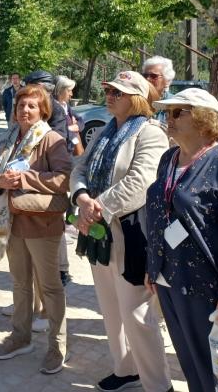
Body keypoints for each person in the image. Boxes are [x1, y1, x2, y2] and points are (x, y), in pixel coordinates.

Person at [145, 88, 218, 392]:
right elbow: (161, 215)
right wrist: (152, 266)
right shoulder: (169, 158)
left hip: (206, 286)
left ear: (203, 118)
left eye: (177, 112)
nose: (168, 118)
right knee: (191, 364)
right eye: (167, 112)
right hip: (170, 279)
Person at [70, 71, 172, 392]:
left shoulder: (150, 132)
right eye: (109, 90)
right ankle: (126, 368)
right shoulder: (105, 131)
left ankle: (158, 384)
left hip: (130, 233)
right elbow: (80, 168)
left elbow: (142, 182)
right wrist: (82, 197)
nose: (110, 96)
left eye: (118, 92)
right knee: (111, 306)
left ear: (137, 98)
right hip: (99, 229)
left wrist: (96, 207)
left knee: (136, 313)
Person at [0, 84, 71, 375]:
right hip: (11, 223)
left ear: (43, 110)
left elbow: (64, 178)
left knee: (50, 288)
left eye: (32, 106)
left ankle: (57, 347)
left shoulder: (51, 139)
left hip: (42, 224)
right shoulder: (7, 139)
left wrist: (24, 179)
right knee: (20, 284)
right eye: (21, 106)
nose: (25, 110)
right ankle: (20, 337)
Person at [54, 75, 84, 157]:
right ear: (60, 90)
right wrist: (70, 128)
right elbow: (54, 131)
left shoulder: (65, 105)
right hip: (61, 151)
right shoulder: (53, 108)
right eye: (69, 91)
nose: (71, 94)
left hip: (70, 147)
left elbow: (81, 120)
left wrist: (76, 126)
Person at [141, 56, 175, 124]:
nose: (147, 79)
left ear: (167, 80)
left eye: (153, 76)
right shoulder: (137, 102)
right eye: (145, 76)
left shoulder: (174, 104)